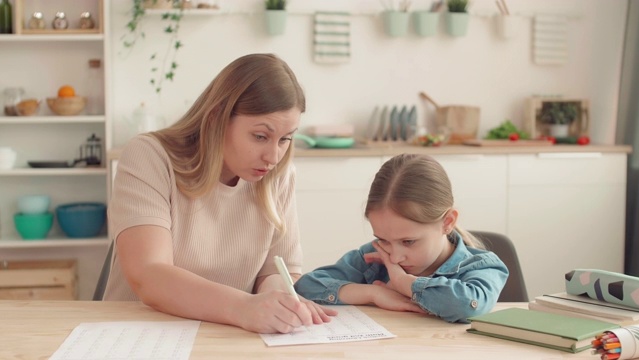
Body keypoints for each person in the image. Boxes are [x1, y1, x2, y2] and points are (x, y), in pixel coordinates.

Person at [103, 53, 337, 333]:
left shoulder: (279, 174)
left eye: (285, 139)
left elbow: (277, 269)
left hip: (225, 335)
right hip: (137, 334)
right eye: (260, 136)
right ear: (217, 118)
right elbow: (148, 274)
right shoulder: (150, 156)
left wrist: (279, 298)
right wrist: (244, 307)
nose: (273, 156)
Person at [294, 153, 509, 323]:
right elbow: (306, 286)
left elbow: (467, 304)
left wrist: (404, 283)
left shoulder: (483, 267)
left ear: (447, 222)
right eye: (384, 239)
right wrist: (373, 293)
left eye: (408, 242)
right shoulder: (374, 257)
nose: (394, 257)